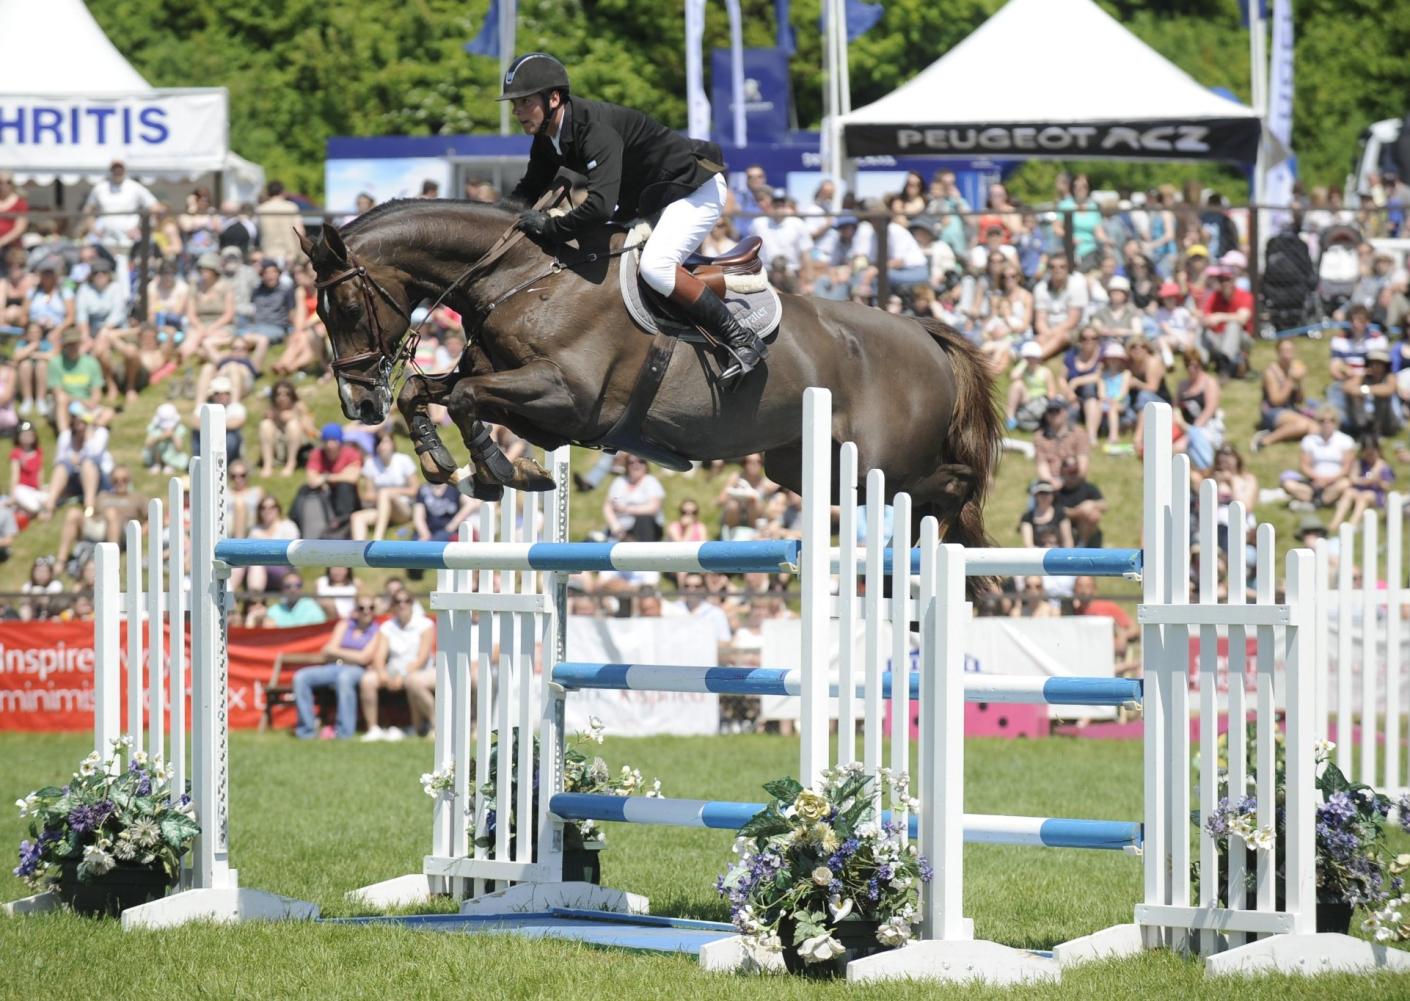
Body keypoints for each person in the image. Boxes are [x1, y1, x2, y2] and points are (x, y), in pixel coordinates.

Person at [498, 52, 765, 380]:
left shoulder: (593, 129)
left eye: (525, 102)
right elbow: (527, 191)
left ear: (553, 98)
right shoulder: (547, 139)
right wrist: (492, 223)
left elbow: (597, 206)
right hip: (652, 201)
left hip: (693, 190)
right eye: (515, 104)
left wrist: (552, 227)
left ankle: (741, 340)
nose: (517, 111)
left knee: (656, 267)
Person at [291, 597, 381, 740]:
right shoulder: (344, 625)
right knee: (301, 677)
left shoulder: (377, 630)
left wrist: (339, 652)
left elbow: (364, 658)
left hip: (358, 670)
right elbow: (327, 650)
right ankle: (306, 731)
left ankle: (343, 732)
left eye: (370, 608)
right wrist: (353, 655)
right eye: (361, 608)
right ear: (355, 611)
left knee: (344, 678)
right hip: (334, 666)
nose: (366, 612)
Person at [361, 590, 435, 741]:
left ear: (412, 603)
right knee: (367, 680)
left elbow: (422, 657)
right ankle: (373, 728)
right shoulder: (387, 626)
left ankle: (436, 726)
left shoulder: (425, 624)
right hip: (393, 670)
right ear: (393, 605)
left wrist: (402, 676)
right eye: (397, 601)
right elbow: (379, 656)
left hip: (420, 670)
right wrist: (382, 674)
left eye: (406, 601)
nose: (402, 605)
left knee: (413, 681)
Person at [1281, 406, 1355, 512]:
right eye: (1322, 420)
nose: (1326, 423)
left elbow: (1346, 468)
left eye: (1331, 420)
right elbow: (1304, 466)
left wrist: (1328, 480)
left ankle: (1315, 502)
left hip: (1335, 482)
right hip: (1313, 483)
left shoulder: (1345, 441)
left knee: (1345, 484)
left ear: (1336, 422)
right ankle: (1322, 501)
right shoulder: (1309, 440)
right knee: (1288, 484)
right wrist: (1317, 478)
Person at [350, 433, 419, 541]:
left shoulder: (403, 460)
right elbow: (368, 495)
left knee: (385, 493)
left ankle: (378, 539)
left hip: (402, 509)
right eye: (379, 443)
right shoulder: (370, 464)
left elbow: (415, 490)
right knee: (357, 517)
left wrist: (390, 493)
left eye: (386, 442)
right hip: (380, 509)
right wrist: (383, 497)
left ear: (392, 444)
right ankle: (358, 551)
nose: (382, 446)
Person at [1252, 339, 1317, 451]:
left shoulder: (1294, 368)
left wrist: (1299, 382)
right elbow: (1276, 401)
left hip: (1290, 409)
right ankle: (1265, 440)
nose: (1288, 354)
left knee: (1314, 426)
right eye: (1284, 350)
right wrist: (1290, 380)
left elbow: (1299, 400)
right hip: (1272, 411)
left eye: (1290, 350)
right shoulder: (1271, 372)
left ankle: (1315, 451)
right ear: (1278, 353)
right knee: (1304, 424)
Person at [1071, 576, 1139, 671]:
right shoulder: (1071, 613)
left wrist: (1121, 638)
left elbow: (1135, 629)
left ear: (1095, 589)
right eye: (1080, 586)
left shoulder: (1108, 607)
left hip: (1107, 660)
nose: (1083, 590)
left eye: (1087, 586)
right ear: (1074, 590)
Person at [1329, 436, 1394, 532]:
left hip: (1375, 494)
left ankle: (1352, 524)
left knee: (1364, 496)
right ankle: (1335, 523)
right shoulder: (1359, 463)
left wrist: (1378, 481)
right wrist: (1365, 481)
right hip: (1358, 490)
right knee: (1348, 492)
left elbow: (1386, 486)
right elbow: (1353, 478)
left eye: (1372, 453)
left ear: (1378, 451)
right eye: (1367, 454)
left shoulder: (1383, 466)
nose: (1370, 456)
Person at [1199, 266, 1254, 377]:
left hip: (1242, 339)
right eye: (1221, 280)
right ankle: (1201, 363)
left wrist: (1220, 316)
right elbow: (1205, 317)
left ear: (1234, 280)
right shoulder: (1214, 296)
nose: (1225, 283)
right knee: (1201, 329)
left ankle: (1225, 364)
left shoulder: (1245, 296)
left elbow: (1242, 318)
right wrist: (1207, 321)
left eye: (1227, 280)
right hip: (1219, 338)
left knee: (1233, 325)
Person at [47, 327, 104, 433]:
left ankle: (87, 427)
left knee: (108, 413)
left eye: (75, 344)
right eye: (69, 344)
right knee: (62, 400)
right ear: (64, 345)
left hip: (86, 404)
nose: (73, 347)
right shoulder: (55, 363)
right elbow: (57, 393)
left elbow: (97, 392)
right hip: (64, 404)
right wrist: (82, 401)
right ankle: (65, 436)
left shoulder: (91, 363)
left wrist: (92, 403)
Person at [1033, 255, 1088, 359]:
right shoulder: (1040, 288)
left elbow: (1072, 320)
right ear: (1048, 269)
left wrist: (1051, 334)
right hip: (1049, 330)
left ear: (1068, 268)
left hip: (1074, 330)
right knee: (1039, 339)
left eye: (1062, 266)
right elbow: (1040, 320)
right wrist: (1046, 333)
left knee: (1061, 337)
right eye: (1053, 267)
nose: (1057, 270)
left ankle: (1033, 361)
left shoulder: (1077, 285)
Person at [259, 379, 317, 477]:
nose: (283, 397)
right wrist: (275, 416)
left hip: (298, 445)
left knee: (293, 425)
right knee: (265, 424)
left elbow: (311, 429)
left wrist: (296, 417)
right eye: (279, 394)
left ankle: (291, 464)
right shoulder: (272, 408)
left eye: (287, 394)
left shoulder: (298, 406)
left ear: (292, 395)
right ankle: (267, 465)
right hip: (278, 443)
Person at [603, 455, 664, 542]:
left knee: (644, 518)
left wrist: (626, 509)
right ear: (626, 465)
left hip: (645, 530)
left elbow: (653, 507)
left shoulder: (650, 481)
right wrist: (615, 526)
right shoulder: (619, 482)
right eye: (631, 462)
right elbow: (608, 506)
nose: (636, 465)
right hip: (621, 530)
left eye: (641, 461)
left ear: (646, 465)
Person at [1033, 398, 1089, 482]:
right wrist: (1051, 482)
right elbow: (1042, 464)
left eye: (1057, 411)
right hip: (1050, 480)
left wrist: (1068, 482)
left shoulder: (1078, 433)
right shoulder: (1040, 437)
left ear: (1065, 412)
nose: (1053, 414)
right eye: (1050, 411)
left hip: (1074, 479)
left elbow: (1083, 463)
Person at [1055, 457, 1107, 548]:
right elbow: (1057, 511)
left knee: (1094, 514)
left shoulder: (1088, 487)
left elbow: (1104, 506)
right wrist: (1079, 511)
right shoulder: (1058, 491)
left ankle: (1081, 545)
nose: (1073, 476)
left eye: (1075, 471)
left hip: (1084, 525)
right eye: (1070, 472)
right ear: (1062, 472)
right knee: (1063, 521)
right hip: (1063, 525)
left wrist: (1091, 504)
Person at [1005, 341, 1056, 431]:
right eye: (1028, 357)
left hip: (1041, 400)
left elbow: (1051, 392)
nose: (1031, 360)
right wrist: (1023, 363)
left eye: (1033, 357)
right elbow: (1013, 376)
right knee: (1017, 385)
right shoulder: (1024, 369)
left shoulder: (1045, 371)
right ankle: (1010, 418)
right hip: (1028, 398)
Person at [255, 180, 305, 268]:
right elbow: (299, 231)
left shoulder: (261, 209)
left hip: (268, 255)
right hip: (289, 256)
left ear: (268, 192)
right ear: (283, 191)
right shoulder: (291, 207)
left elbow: (256, 233)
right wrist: (300, 254)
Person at [1019, 480, 1072, 549]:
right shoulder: (1027, 517)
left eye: (1047, 493)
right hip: (1036, 556)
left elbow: (1068, 541)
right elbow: (1028, 545)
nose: (1044, 496)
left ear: (1052, 495)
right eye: (1041, 493)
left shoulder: (1061, 514)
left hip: (1059, 555)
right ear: (1036, 496)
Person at [1096, 343, 1131, 449]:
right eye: (1111, 359)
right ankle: (1092, 435)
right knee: (1096, 406)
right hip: (1106, 400)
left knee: (1113, 408)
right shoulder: (1103, 374)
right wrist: (1106, 399)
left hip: (1121, 401)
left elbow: (1124, 392)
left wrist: (1114, 400)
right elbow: (1101, 393)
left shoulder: (1126, 373)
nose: (1113, 361)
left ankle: (1113, 436)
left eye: (1116, 359)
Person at [140, 403, 190, 473]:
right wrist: (161, 437)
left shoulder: (178, 429)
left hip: (172, 456)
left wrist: (173, 436)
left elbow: (179, 448)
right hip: (155, 455)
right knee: (157, 446)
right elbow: (148, 444)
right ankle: (157, 464)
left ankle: (169, 465)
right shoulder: (155, 428)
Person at [8, 421, 45, 516]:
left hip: (35, 490)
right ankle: (22, 506)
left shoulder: (38, 452)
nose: (27, 436)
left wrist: (41, 488)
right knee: (33, 506)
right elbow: (14, 476)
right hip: (22, 489)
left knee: (49, 497)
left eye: (29, 434)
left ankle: (25, 509)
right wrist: (13, 495)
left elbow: (40, 473)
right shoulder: (16, 453)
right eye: (24, 434)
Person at [263, 575, 327, 628]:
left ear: (302, 588)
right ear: (281, 589)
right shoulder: (274, 610)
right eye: (288, 586)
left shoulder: (312, 607)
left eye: (298, 585)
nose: (293, 589)